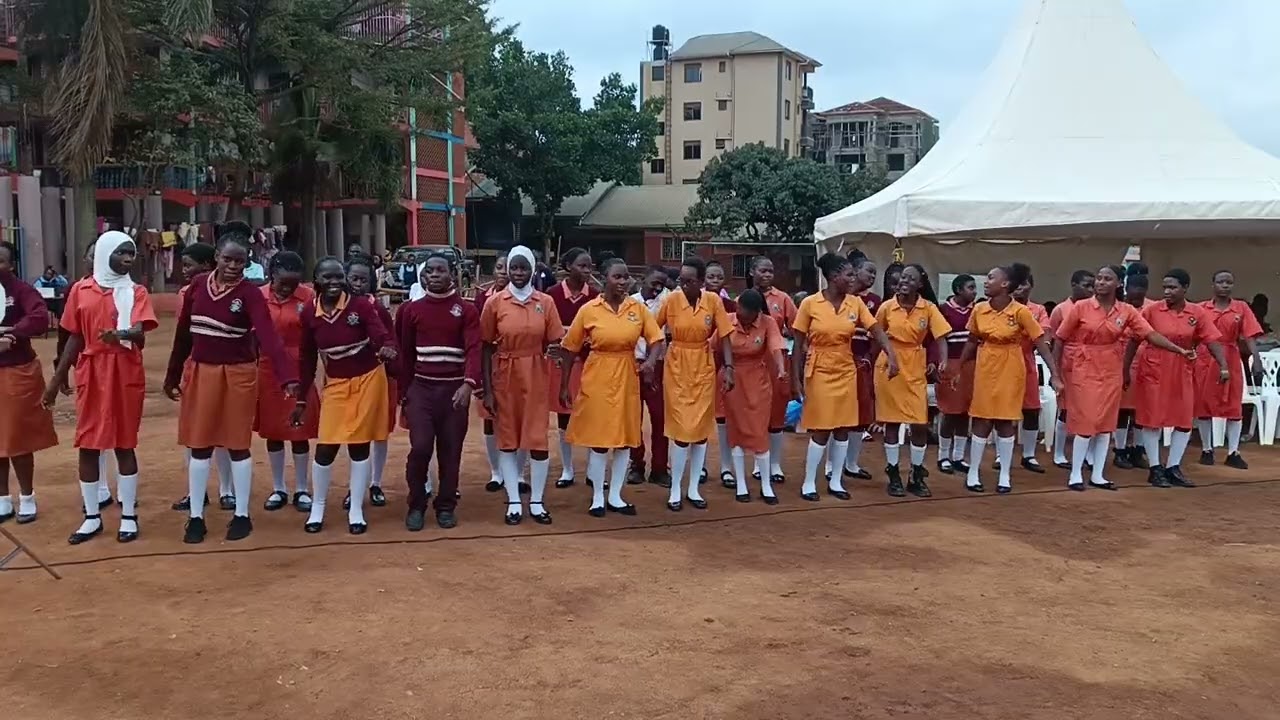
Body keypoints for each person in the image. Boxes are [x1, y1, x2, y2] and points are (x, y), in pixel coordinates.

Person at [164, 237, 301, 544]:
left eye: (240, 261)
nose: (233, 266)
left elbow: (269, 337)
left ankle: (241, 514)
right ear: (217, 257)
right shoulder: (197, 287)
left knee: (237, 444)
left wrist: (287, 377)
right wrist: (173, 375)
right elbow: (183, 335)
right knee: (199, 445)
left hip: (238, 374)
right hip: (201, 372)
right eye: (228, 259)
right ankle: (196, 517)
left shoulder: (250, 295)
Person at [43, 233, 158, 543]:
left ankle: (129, 516)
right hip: (92, 373)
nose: (128, 258)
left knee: (124, 443)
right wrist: (56, 380)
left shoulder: (136, 291)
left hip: (124, 372)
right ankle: (92, 517)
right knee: (90, 444)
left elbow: (140, 333)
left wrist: (121, 333)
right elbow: (75, 337)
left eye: (131, 253)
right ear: (105, 253)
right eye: (121, 252)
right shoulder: (81, 290)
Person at [1054, 266, 1190, 490]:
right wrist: (1057, 375)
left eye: (1107, 279)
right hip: (1084, 367)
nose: (1100, 282)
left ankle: (1098, 474)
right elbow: (1060, 339)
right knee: (1086, 422)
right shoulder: (1081, 307)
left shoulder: (1126, 311)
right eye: (1099, 278)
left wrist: (1178, 349)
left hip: (1111, 369)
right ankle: (1076, 473)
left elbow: (1149, 334)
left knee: (1106, 423)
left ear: (1118, 284)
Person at [295, 258, 397, 534]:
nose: (334, 282)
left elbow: (380, 333)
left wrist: (387, 346)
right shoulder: (308, 313)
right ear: (315, 279)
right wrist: (301, 397)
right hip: (337, 384)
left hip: (368, 380)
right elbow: (306, 357)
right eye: (327, 277)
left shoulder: (360, 306)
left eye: (339, 277)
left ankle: (355, 510)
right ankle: (317, 507)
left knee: (359, 445)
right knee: (326, 446)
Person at [560, 257, 665, 517]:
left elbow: (657, 339)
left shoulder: (637, 309)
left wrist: (651, 361)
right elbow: (570, 349)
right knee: (599, 440)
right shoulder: (589, 309)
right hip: (597, 376)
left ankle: (616, 496)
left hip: (627, 377)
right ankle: (597, 496)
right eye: (617, 276)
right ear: (604, 278)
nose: (623, 281)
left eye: (626, 276)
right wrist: (564, 386)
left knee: (624, 439)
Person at [792, 253, 897, 502]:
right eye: (848, 274)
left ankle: (837, 481)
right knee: (821, 428)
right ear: (833, 277)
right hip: (818, 369)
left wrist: (891, 355)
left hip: (845, 369)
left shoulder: (856, 304)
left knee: (843, 427)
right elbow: (798, 345)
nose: (853, 279)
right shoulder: (810, 303)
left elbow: (876, 330)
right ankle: (809, 482)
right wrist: (795, 380)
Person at [959, 263, 1062, 493]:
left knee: (1006, 421)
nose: (985, 282)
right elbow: (972, 341)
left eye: (990, 278)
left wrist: (1055, 375)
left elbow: (1040, 343)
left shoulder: (1020, 312)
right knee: (981, 419)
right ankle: (974, 472)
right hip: (986, 365)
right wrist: (959, 368)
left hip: (1011, 367)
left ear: (1005, 284)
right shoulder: (979, 310)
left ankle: (1005, 474)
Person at [481, 246, 565, 525]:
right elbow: (484, 345)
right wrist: (488, 390)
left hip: (536, 374)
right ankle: (514, 500)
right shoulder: (495, 302)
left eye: (523, 268)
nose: (517, 273)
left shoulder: (545, 302)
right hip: (505, 375)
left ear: (533, 269)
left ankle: (538, 501)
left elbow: (554, 339)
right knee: (507, 439)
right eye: (513, 268)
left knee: (537, 439)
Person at [397, 252, 481, 531]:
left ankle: (446, 505)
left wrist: (469, 383)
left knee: (450, 451)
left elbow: (473, 348)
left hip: (454, 391)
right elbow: (405, 354)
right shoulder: (411, 310)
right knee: (420, 448)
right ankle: (416, 504)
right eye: (430, 271)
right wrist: (404, 393)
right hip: (422, 389)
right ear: (423, 276)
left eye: (440, 270)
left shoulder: (466, 310)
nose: (434, 275)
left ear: (452, 274)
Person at [1126, 269, 1229, 488]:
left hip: (1183, 369)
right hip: (1154, 368)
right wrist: (1125, 370)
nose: (1167, 292)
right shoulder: (1151, 311)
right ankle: (1155, 468)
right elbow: (1134, 340)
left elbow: (1211, 340)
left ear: (1185, 288)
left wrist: (1223, 366)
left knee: (1183, 420)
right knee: (1152, 418)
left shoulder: (1197, 313)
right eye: (1164, 287)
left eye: (1172, 287)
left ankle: (1173, 467)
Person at [658, 257, 734, 512]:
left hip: (703, 366)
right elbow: (652, 329)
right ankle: (676, 489)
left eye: (690, 281)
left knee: (700, 431)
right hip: (677, 366)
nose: (684, 285)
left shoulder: (713, 301)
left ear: (701, 282)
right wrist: (649, 359)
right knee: (681, 431)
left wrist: (730, 368)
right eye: (681, 280)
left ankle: (693, 488)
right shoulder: (670, 300)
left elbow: (725, 335)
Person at [170, 242, 235, 513]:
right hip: (192, 366)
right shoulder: (187, 292)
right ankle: (195, 491)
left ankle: (226, 489)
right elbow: (183, 333)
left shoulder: (224, 291)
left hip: (219, 365)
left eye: (189, 265)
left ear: (208, 265)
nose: (185, 270)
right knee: (193, 432)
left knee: (223, 430)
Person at [874, 264, 950, 498]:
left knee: (919, 422)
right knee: (892, 421)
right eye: (902, 278)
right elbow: (875, 334)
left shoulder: (927, 308)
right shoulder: (887, 307)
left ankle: (916, 473)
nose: (904, 281)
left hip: (915, 365)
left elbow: (941, 336)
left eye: (910, 278)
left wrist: (943, 360)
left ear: (920, 284)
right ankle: (894, 473)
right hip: (890, 365)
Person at [254, 251, 319, 513]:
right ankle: (279, 487)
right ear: (271, 275)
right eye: (283, 283)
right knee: (274, 430)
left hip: (299, 365)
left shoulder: (309, 297)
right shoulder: (258, 297)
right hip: (268, 368)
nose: (288, 288)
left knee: (299, 430)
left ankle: (302, 488)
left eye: (294, 283)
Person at [0, 241, 58, 525]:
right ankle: (1, 499)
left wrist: (13, 333)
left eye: (0, 260)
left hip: (16, 371)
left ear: (11, 265)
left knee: (18, 437)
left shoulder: (21, 290)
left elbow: (38, 318)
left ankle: (26, 496)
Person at [1194, 270, 1265, 469]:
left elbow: (1249, 335)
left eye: (1229, 282)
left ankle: (1233, 451)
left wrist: (1256, 359)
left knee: (1234, 406)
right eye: (1221, 282)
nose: (1225, 286)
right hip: (1206, 358)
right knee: (1204, 405)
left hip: (1231, 357)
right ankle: (1207, 449)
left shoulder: (1240, 307)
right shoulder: (1201, 308)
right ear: (1213, 284)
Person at [344, 255, 399, 508]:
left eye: (363, 279)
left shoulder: (378, 309)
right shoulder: (337, 306)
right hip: (347, 379)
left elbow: (391, 342)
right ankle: (354, 486)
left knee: (379, 433)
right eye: (353, 278)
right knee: (354, 435)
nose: (358, 284)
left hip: (379, 377)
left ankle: (375, 483)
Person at [722, 289, 786, 503]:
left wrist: (781, 368)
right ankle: (741, 484)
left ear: (757, 313)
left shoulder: (768, 323)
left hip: (758, 382)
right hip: (733, 382)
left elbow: (777, 347)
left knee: (759, 432)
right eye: (738, 309)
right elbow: (714, 346)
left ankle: (766, 485)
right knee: (737, 432)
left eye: (745, 313)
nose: (739, 315)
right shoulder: (727, 321)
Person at [546, 248, 599, 488]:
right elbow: (547, 329)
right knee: (564, 414)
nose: (588, 271)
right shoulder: (552, 295)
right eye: (582, 266)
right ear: (568, 267)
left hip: (590, 363)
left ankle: (592, 469)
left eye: (590, 266)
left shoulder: (596, 296)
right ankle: (567, 469)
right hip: (562, 363)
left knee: (590, 414)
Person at [474, 253, 524, 494]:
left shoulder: (527, 297)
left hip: (518, 364)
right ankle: (496, 473)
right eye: (500, 267)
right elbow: (478, 337)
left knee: (521, 418)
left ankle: (519, 473)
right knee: (490, 420)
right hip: (490, 363)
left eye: (509, 267)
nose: (504, 272)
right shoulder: (483, 297)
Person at [750, 256, 798, 485]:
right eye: (763, 270)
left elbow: (797, 327)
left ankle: (775, 463)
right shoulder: (744, 299)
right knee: (756, 413)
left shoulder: (783, 298)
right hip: (752, 363)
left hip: (778, 360)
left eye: (770, 271)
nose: (767, 275)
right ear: (752, 272)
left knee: (777, 415)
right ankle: (759, 463)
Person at [838, 252, 885, 481]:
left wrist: (869, 357)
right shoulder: (840, 297)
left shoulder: (875, 301)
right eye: (869, 271)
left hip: (862, 362)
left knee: (861, 413)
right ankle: (831, 465)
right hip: (838, 362)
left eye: (875, 273)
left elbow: (876, 335)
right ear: (855, 272)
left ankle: (852, 463)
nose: (873, 276)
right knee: (836, 414)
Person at [628, 265, 671, 486]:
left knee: (660, 419)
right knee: (633, 418)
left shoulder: (668, 302)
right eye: (654, 281)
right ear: (642, 279)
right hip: (632, 365)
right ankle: (636, 465)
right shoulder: (629, 303)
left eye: (662, 283)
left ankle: (660, 468)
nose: (658, 286)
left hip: (658, 366)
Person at [1048, 269, 1096, 468]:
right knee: (1066, 409)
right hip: (1069, 363)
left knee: (1092, 410)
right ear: (1074, 285)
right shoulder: (1061, 309)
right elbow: (1054, 341)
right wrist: (1055, 371)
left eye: (1092, 286)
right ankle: (1059, 453)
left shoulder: (1095, 308)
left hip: (1093, 364)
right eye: (1086, 285)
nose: (1091, 290)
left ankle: (1089, 454)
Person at [935, 274, 977, 473]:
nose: (974, 291)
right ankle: (943, 455)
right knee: (950, 411)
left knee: (965, 412)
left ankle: (958, 456)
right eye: (970, 287)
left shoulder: (977, 310)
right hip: (951, 363)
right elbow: (938, 338)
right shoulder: (943, 310)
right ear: (959, 290)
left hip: (971, 365)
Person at [1113, 271, 1155, 469]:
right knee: (1123, 410)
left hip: (1147, 365)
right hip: (1121, 364)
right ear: (1126, 289)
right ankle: (1119, 450)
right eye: (1132, 290)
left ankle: (1138, 449)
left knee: (1141, 411)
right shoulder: (1118, 307)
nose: (1136, 295)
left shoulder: (1153, 308)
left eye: (1141, 291)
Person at [1011, 275, 1051, 473]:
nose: (1020, 288)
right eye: (1017, 284)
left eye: (1025, 284)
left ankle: (1028, 454)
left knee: (1031, 409)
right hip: (1006, 362)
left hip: (1027, 363)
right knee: (1005, 411)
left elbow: (1043, 334)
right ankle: (1003, 455)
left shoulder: (1039, 309)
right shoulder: (1005, 308)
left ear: (1031, 286)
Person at [704, 259, 736, 487]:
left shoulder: (731, 306)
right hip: (699, 366)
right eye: (710, 277)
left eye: (719, 277)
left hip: (724, 365)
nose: (715, 281)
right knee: (701, 417)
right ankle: (701, 467)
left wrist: (728, 365)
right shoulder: (695, 302)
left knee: (725, 418)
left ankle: (727, 467)